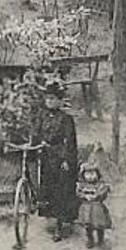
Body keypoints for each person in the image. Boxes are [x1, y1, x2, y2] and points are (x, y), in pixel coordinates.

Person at [37, 82, 80, 241]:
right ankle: (52, 219)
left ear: (60, 101)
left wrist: (66, 160)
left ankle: (60, 226)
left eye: (53, 98)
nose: (49, 101)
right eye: (47, 98)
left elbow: (69, 141)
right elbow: (37, 133)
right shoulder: (42, 116)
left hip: (60, 158)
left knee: (61, 191)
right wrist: (38, 142)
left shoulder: (66, 119)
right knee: (48, 189)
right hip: (46, 157)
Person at [77, 162, 113, 249]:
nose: (90, 176)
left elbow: (103, 192)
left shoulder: (100, 185)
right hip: (86, 208)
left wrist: (96, 196)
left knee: (99, 225)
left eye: (92, 174)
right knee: (88, 225)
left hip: (97, 208)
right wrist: (85, 196)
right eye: (88, 174)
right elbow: (78, 193)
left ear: (97, 174)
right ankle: (90, 239)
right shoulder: (82, 185)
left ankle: (101, 240)